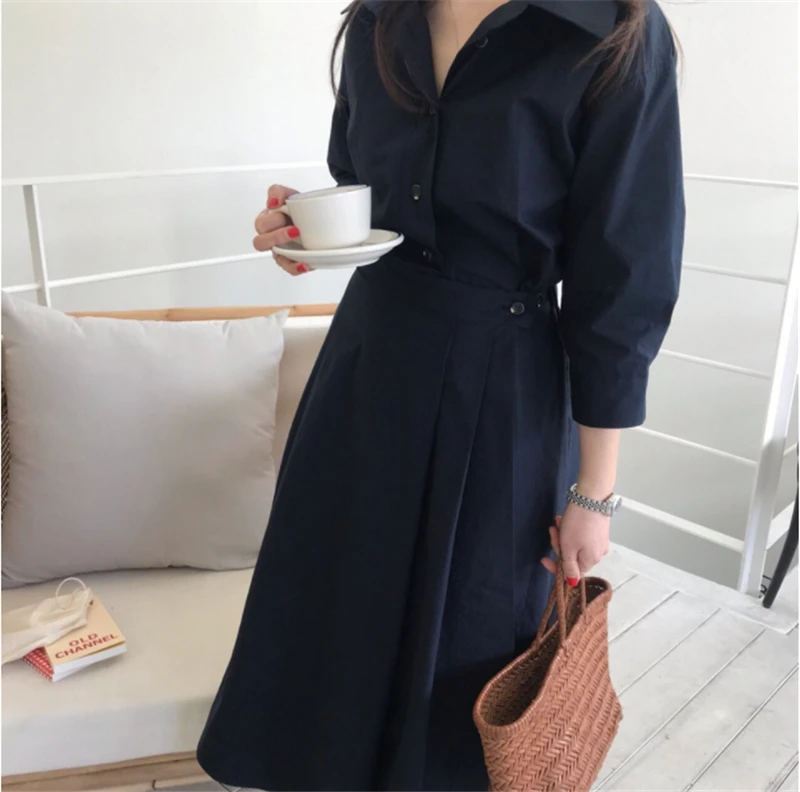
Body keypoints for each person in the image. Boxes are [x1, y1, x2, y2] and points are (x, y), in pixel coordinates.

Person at [197, 1, 684, 790]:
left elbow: (623, 277)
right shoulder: (379, 18)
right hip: (366, 374)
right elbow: (366, 188)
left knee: (467, 651)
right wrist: (305, 233)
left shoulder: (613, 30)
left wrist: (595, 492)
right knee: (334, 629)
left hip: (503, 390)